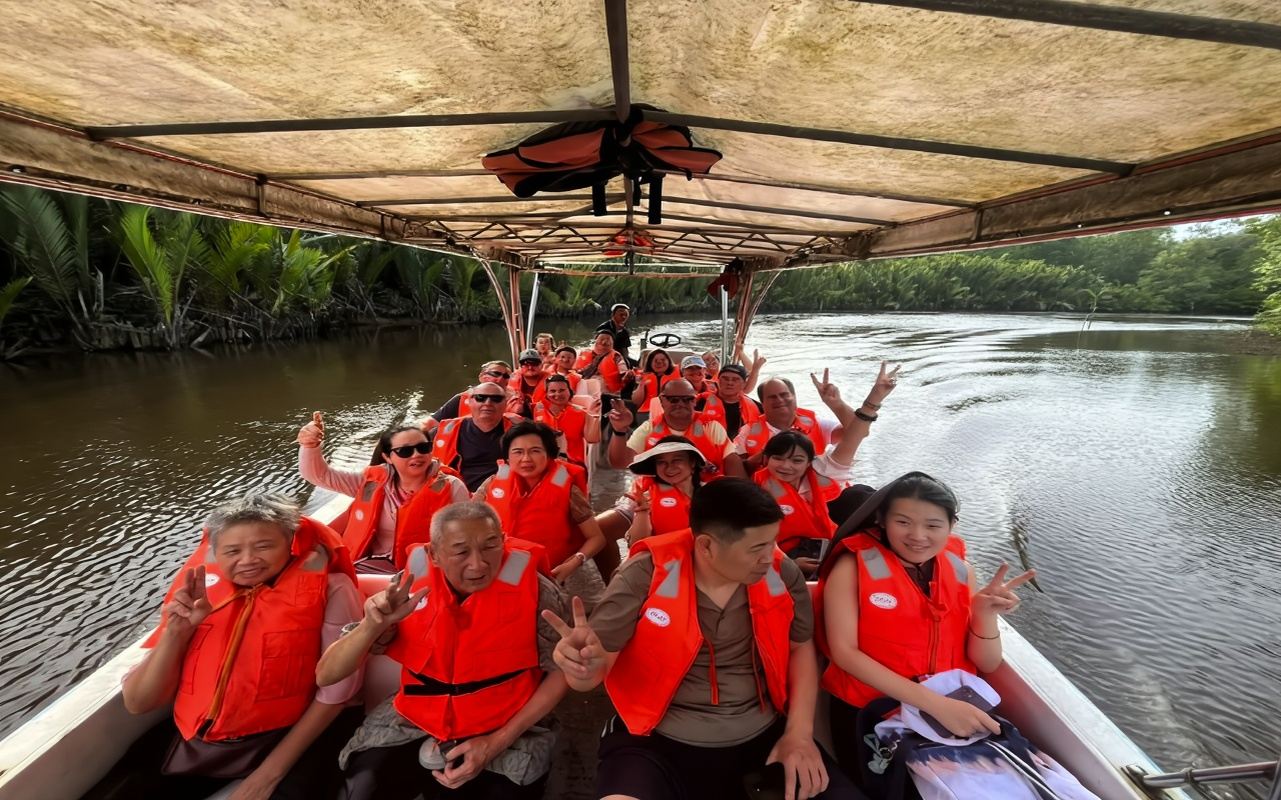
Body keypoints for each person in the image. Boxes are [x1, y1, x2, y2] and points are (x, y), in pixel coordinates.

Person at [544, 479, 863, 800]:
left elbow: (801, 650)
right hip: (654, 740)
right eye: (757, 548)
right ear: (706, 546)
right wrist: (582, 668)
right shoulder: (645, 574)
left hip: (763, 736)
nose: (770, 557)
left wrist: (799, 735)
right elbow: (595, 669)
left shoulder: (782, 573)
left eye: (772, 542)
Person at [317, 502, 571, 800]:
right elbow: (327, 675)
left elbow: (561, 673)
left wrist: (495, 742)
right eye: (461, 552)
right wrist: (371, 625)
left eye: (490, 546)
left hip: (505, 724)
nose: (478, 564)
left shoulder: (539, 592)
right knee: (359, 790)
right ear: (434, 556)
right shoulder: (406, 591)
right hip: (412, 720)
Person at [118, 492, 363, 800]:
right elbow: (138, 703)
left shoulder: (332, 589)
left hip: (286, 737)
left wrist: (266, 777)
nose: (247, 560)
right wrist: (176, 632)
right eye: (232, 550)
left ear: (290, 544)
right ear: (215, 553)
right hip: (196, 741)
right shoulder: (200, 595)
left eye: (264, 546)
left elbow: (338, 693)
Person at [818, 473, 1035, 786]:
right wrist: (936, 705)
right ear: (881, 519)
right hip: (872, 710)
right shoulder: (851, 568)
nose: (918, 535)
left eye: (933, 526)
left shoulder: (962, 571)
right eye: (903, 522)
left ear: (951, 526)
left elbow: (987, 663)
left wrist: (984, 614)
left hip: (950, 707)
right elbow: (844, 653)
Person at [756, 363, 900, 576]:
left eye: (796, 460)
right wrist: (787, 563)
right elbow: (753, 539)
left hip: (830, 548)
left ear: (808, 463)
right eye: (778, 458)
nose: (786, 466)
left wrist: (874, 398)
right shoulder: (757, 489)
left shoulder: (824, 469)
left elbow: (855, 435)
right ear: (766, 459)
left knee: (861, 495)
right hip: (786, 558)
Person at [298, 413, 469, 573]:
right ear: (388, 457)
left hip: (423, 571)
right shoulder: (371, 482)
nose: (416, 455)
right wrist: (310, 446)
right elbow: (319, 475)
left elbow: (465, 536)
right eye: (405, 451)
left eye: (423, 448)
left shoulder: (452, 487)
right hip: (367, 563)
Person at [473, 421, 606, 582]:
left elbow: (597, 538)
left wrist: (573, 563)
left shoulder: (568, 490)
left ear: (549, 455)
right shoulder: (492, 483)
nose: (526, 459)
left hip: (548, 573)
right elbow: (467, 521)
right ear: (507, 457)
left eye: (535, 451)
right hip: (499, 568)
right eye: (518, 452)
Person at [738, 366, 895, 469]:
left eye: (784, 395)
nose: (779, 400)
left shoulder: (817, 424)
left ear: (794, 397)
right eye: (772, 397)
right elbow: (736, 466)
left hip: (819, 492)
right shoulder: (748, 431)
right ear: (762, 404)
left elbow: (858, 433)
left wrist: (836, 404)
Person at [607, 379, 744, 478]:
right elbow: (620, 463)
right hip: (654, 498)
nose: (680, 404)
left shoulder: (711, 427)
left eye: (687, 399)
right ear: (662, 401)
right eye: (673, 399)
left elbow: (732, 461)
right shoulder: (649, 428)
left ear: (694, 401)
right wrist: (620, 430)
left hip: (704, 496)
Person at [618, 436, 704, 547]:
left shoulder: (711, 494)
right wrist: (643, 511)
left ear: (692, 462)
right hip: (660, 561)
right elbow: (636, 543)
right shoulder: (647, 496)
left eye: (677, 460)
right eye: (661, 462)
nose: (669, 467)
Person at [432, 382, 513, 492]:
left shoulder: (519, 431)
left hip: (502, 495)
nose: (488, 403)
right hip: (455, 495)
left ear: (505, 403)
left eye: (496, 399)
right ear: (470, 401)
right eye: (480, 398)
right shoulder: (445, 430)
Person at [424, 361, 514, 432]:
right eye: (496, 373)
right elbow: (428, 424)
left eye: (506, 376)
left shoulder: (517, 402)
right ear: (482, 377)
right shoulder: (461, 400)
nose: (501, 378)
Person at [533, 373, 600, 467]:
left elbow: (592, 438)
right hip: (544, 464)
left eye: (562, 390)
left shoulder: (581, 413)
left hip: (572, 465)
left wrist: (594, 415)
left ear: (569, 391)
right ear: (547, 394)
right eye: (552, 391)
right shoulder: (538, 409)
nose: (557, 394)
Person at [697, 363, 762, 440]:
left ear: (744, 384)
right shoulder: (700, 402)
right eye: (725, 378)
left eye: (735, 379)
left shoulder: (757, 407)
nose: (730, 383)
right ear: (718, 381)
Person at [628, 348, 679, 414]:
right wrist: (641, 386)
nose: (659, 362)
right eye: (655, 360)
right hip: (647, 411)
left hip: (672, 411)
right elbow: (636, 402)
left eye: (663, 360)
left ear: (669, 361)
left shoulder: (679, 374)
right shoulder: (642, 377)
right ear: (650, 363)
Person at [509, 348, 549, 415]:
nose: (530, 367)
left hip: (544, 417)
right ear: (520, 366)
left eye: (534, 364)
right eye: (526, 364)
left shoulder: (552, 381)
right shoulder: (510, 381)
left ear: (541, 365)